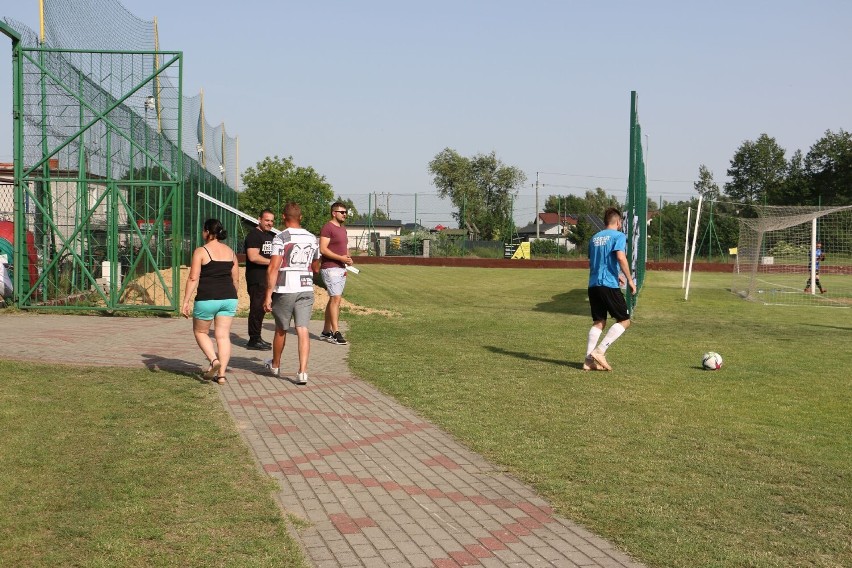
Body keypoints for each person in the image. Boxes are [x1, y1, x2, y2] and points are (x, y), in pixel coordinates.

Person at [263, 202, 320, 385]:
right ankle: (302, 371)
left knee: (281, 329)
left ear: (283, 218)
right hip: (306, 287)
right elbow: (316, 264)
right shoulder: (312, 238)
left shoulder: (281, 237)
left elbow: (273, 267)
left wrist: (268, 294)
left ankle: (276, 365)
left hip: (285, 288)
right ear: (301, 217)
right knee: (302, 329)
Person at [181, 218, 239, 385]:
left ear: (207, 232)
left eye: (203, 230)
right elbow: (236, 279)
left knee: (201, 332)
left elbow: (193, 278)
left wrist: (185, 301)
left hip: (207, 298)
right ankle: (221, 376)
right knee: (223, 336)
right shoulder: (231, 252)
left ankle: (214, 361)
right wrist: (232, 296)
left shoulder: (201, 251)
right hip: (228, 298)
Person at [584, 207, 636, 372]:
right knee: (624, 320)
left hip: (593, 285)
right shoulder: (619, 236)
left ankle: (588, 361)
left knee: (599, 322)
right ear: (618, 221)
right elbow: (620, 256)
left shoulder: (594, 238)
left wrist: (616, 274)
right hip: (608, 285)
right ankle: (600, 351)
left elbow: (595, 261)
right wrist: (629, 279)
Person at [319, 201, 354, 345]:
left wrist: (348, 258)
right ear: (334, 213)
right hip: (330, 268)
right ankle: (336, 332)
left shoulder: (342, 229)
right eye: (342, 212)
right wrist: (340, 258)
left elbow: (344, 247)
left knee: (333, 299)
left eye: (345, 212)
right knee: (336, 299)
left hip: (341, 268)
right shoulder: (328, 228)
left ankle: (326, 331)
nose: (345, 214)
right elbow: (323, 249)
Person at [244, 209, 276, 350]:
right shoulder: (254, 236)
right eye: (267, 220)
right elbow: (253, 256)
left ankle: (258, 337)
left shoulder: (269, 236)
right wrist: (272, 263)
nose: (269, 223)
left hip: (266, 279)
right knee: (256, 308)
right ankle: (253, 339)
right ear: (259, 219)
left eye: (271, 221)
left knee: (262, 309)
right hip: (256, 278)